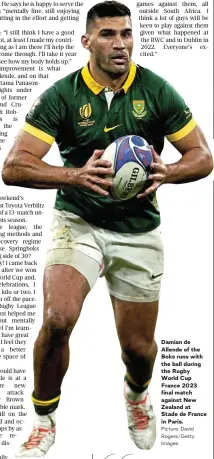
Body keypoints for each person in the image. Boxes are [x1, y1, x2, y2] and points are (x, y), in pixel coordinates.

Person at [2, 1, 213, 456]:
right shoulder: (62, 95)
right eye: (108, 35)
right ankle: (42, 418)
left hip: (138, 229)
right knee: (58, 319)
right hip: (77, 221)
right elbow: (14, 167)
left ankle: (136, 395)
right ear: (87, 42)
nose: (120, 44)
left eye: (126, 34)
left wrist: (167, 172)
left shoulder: (156, 91)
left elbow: (203, 155)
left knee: (140, 351)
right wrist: (74, 175)